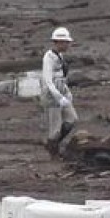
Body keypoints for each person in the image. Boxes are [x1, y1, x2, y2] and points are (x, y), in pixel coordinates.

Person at [42, 26, 78, 156]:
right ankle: (53, 152)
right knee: (55, 129)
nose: (68, 45)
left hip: (62, 92)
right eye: (66, 42)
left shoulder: (60, 56)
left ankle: (55, 143)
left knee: (72, 119)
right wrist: (58, 97)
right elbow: (48, 81)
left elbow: (62, 78)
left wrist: (67, 94)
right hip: (52, 96)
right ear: (59, 42)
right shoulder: (49, 57)